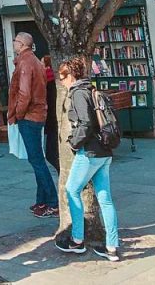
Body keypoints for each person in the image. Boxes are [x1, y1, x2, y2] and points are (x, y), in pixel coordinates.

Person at [54, 58, 120, 262]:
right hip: (104, 151)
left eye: (62, 77)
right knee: (105, 198)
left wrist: (73, 143)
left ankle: (77, 240)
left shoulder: (78, 94)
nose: (61, 81)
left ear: (71, 75)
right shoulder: (91, 90)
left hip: (89, 152)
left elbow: (85, 123)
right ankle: (111, 245)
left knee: (71, 189)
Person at [7, 33, 58, 217]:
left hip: (30, 117)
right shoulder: (34, 60)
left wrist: (18, 114)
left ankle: (52, 201)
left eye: (15, 41)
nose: (13, 43)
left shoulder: (25, 62)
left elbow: (24, 93)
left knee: (37, 160)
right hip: (36, 115)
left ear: (21, 44)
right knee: (36, 159)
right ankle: (42, 200)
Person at [42, 55, 60, 173]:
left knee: (51, 153)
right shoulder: (54, 81)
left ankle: (62, 172)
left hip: (53, 121)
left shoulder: (46, 82)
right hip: (55, 121)